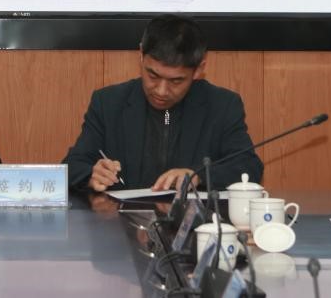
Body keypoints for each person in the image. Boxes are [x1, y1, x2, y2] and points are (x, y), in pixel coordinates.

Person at [62, 15, 261, 192]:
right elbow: (72, 165)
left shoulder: (223, 106)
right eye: (153, 75)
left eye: (176, 81)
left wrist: (198, 176)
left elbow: (249, 167)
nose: (161, 91)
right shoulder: (108, 102)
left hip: (192, 221)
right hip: (120, 220)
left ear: (199, 70)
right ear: (141, 55)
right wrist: (91, 175)